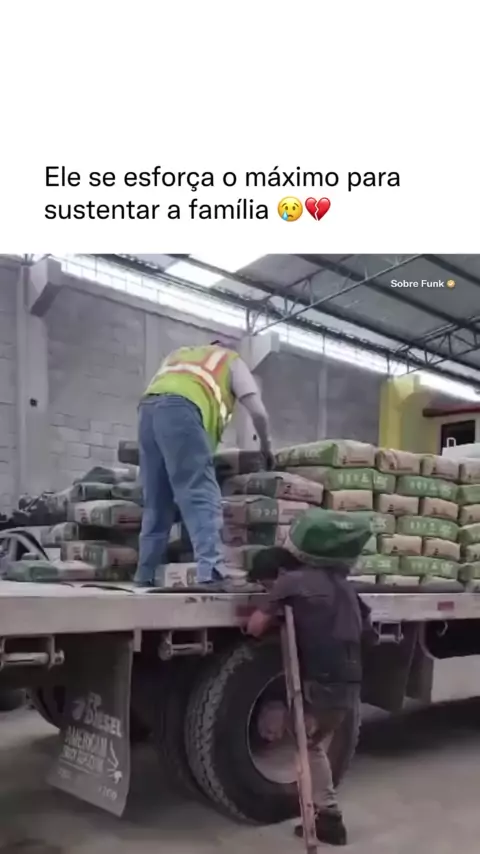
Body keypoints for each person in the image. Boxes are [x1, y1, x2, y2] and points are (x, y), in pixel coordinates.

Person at [246, 508, 373, 847]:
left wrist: (271, 610)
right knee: (311, 742)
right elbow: (369, 632)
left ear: (277, 573)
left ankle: (329, 818)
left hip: (321, 685)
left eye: (264, 583)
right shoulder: (346, 587)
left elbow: (254, 627)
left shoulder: (290, 582)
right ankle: (326, 816)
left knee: (304, 741)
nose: (265, 587)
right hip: (350, 681)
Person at [134, 340, 274, 588]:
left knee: (156, 499)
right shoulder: (230, 360)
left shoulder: (179, 354)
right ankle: (212, 572)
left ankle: (145, 573)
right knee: (199, 491)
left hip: (147, 412)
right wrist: (265, 446)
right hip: (182, 410)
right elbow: (258, 413)